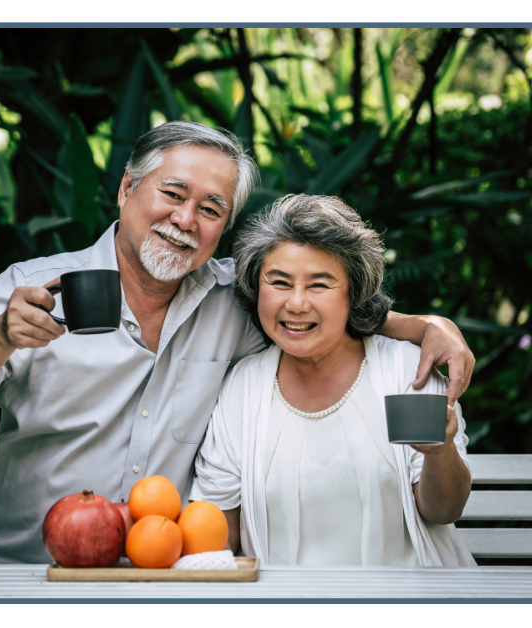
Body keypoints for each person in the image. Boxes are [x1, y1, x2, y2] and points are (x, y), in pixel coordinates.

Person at [0, 121, 475, 564]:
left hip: (162, 578)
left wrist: (427, 327)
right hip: (28, 571)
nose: (185, 219)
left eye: (211, 209)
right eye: (173, 193)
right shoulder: (35, 287)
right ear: (126, 190)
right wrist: (0, 336)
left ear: (224, 226)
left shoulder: (237, 297)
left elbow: (317, 310)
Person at [191, 194, 475, 566]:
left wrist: (440, 451)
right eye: (279, 282)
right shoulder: (244, 386)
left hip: (410, 606)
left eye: (319, 285)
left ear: (353, 294)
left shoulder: (406, 370)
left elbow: (444, 511)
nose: (296, 303)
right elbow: (217, 521)